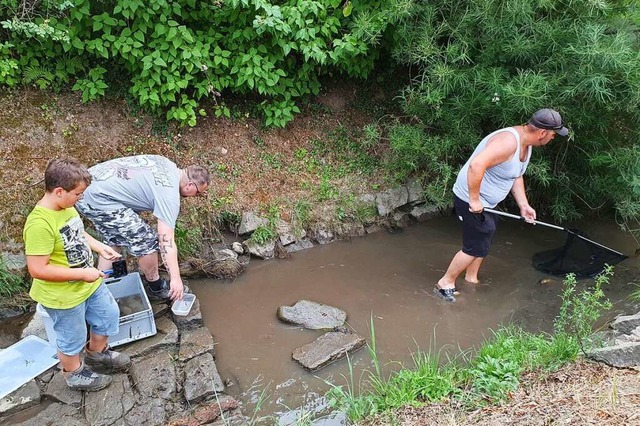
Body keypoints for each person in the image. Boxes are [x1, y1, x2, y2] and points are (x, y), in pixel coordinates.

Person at [435, 108, 569, 302]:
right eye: (553, 135)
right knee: (475, 246)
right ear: (542, 133)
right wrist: (474, 200)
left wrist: (524, 205)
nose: (553, 138)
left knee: (485, 238)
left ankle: (471, 278)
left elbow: (516, 174)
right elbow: (476, 165)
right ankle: (445, 283)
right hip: (470, 200)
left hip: (488, 202)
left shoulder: (526, 144)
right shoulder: (508, 143)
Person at [23, 158, 131, 391]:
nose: (81, 198)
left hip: (89, 282)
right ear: (59, 191)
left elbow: (77, 234)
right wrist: (83, 274)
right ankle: (74, 374)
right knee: (72, 336)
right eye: (78, 194)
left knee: (108, 315)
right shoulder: (39, 224)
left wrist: (99, 247)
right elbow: (37, 269)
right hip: (63, 295)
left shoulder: (66, 207)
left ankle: (96, 355)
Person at [75, 155, 209, 302]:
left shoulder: (165, 163)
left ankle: (99, 286)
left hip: (82, 187)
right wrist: (175, 279)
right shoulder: (169, 196)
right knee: (147, 241)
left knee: (113, 238)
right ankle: (155, 287)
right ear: (189, 185)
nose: (195, 196)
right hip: (97, 197)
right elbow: (166, 241)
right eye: (198, 193)